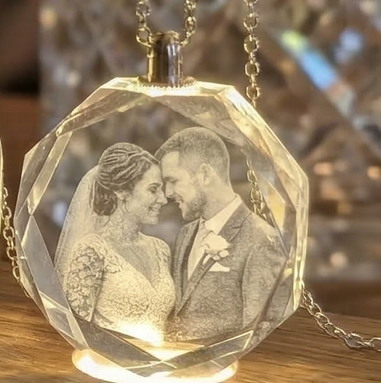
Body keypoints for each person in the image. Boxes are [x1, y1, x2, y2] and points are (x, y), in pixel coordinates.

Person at [156, 127, 287, 343]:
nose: (168, 193)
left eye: (173, 180)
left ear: (205, 175)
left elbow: (257, 332)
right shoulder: (185, 234)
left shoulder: (262, 240)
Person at [57, 143, 174, 341]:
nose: (163, 199)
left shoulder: (160, 249)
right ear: (122, 192)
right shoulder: (92, 250)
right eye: (153, 189)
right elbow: (76, 332)